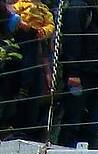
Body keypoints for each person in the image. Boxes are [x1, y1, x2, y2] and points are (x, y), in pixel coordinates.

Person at [53, 0, 98, 147]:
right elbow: (72, 41)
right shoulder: (78, 7)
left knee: (91, 126)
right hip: (81, 74)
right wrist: (73, 73)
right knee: (73, 121)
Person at [0, 0, 53, 140]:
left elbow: (50, 25)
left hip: (35, 39)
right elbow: (13, 15)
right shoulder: (21, 4)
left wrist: (43, 31)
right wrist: (20, 24)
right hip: (20, 39)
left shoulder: (43, 8)